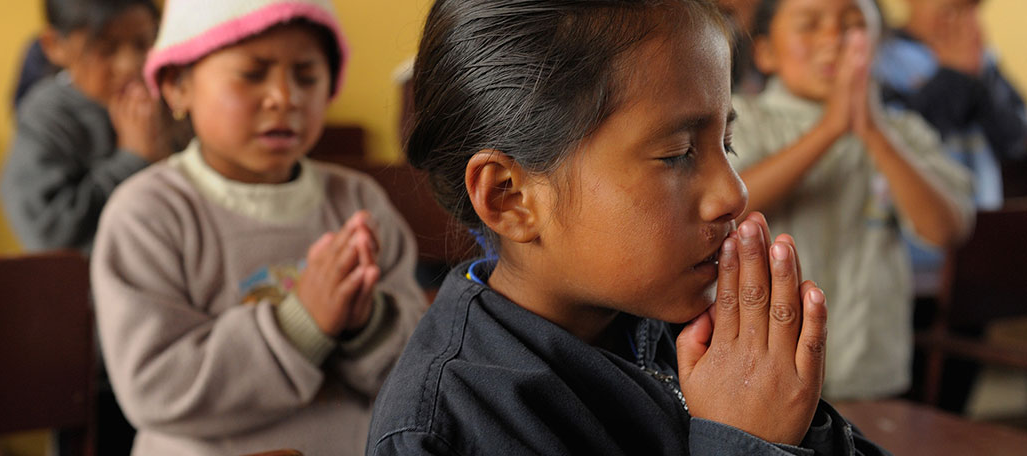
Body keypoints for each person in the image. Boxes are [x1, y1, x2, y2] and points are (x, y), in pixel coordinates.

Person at [367, 0, 888, 454]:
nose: (734, 193)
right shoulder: (453, 423)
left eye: (726, 145)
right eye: (678, 154)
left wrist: (792, 417)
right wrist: (748, 443)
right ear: (511, 197)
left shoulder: (684, 329)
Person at [91, 0, 427, 454]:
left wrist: (366, 323)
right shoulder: (148, 213)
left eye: (306, 76)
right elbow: (156, 387)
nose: (285, 97)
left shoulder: (357, 202)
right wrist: (302, 322)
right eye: (253, 73)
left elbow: (417, 373)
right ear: (176, 87)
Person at [730, 0, 974, 400]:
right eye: (810, 24)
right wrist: (830, 130)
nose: (834, 39)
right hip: (765, 374)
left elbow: (946, 228)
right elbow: (732, 207)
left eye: (853, 24)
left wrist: (874, 133)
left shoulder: (902, 131)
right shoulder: (742, 119)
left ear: (878, 46)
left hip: (869, 370)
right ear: (767, 53)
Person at [0, 0, 173, 254]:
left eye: (142, 43)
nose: (130, 65)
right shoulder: (47, 117)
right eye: (106, 49)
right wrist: (132, 160)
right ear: (54, 45)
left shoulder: (171, 98)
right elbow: (45, 231)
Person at [875, 0, 1026, 211]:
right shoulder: (882, 58)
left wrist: (978, 78)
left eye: (969, 7)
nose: (957, 15)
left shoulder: (983, 59)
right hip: (917, 225)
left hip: (985, 220)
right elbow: (894, 143)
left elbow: (1017, 143)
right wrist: (953, 76)